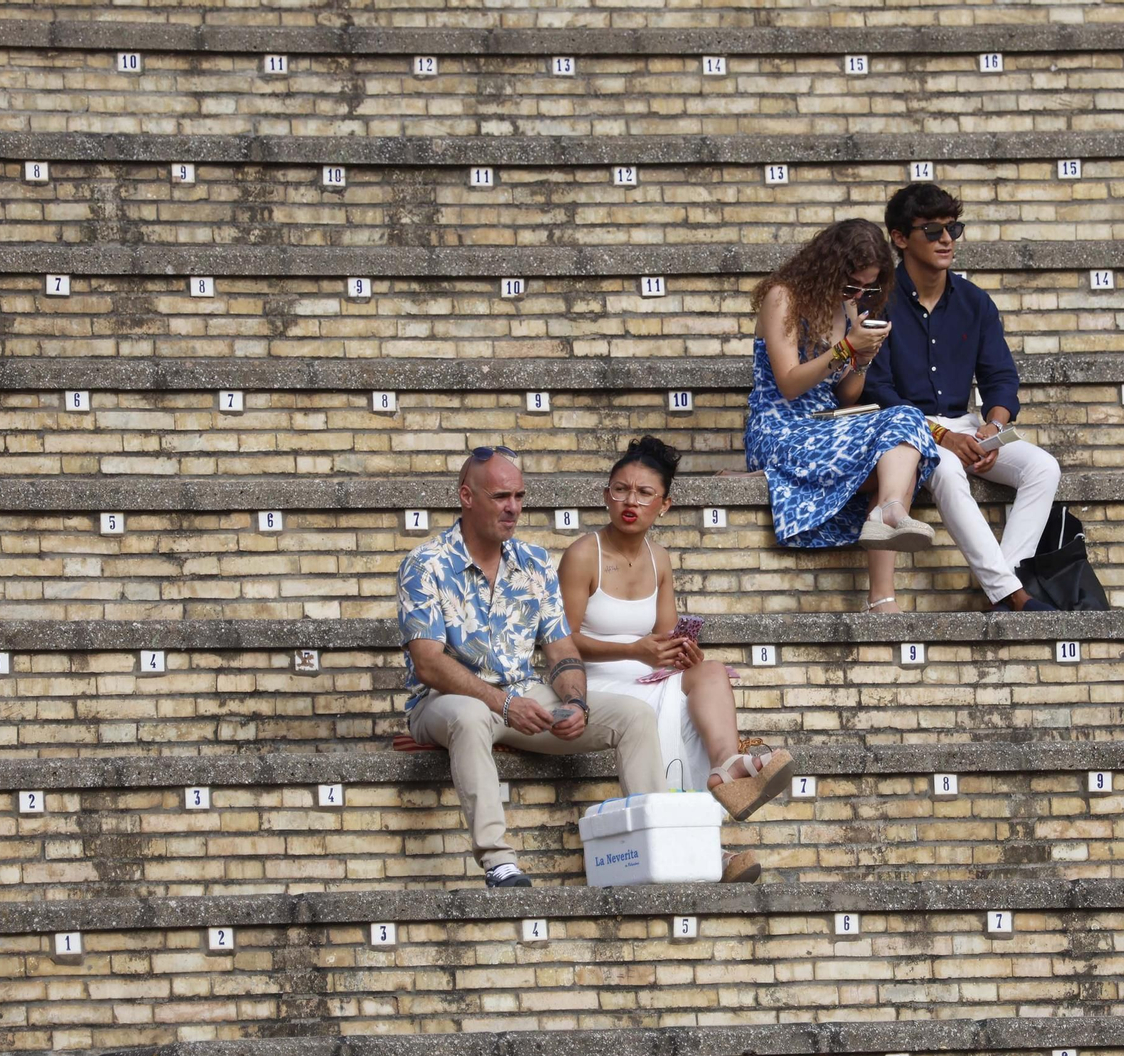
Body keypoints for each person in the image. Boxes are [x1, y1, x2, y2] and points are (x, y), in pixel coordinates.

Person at [397, 445, 670, 889]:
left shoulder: (535, 563)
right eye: (502, 497)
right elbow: (429, 665)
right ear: (467, 497)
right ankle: (498, 861)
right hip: (444, 702)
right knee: (468, 716)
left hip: (522, 695)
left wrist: (576, 701)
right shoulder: (425, 565)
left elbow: (562, 651)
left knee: (633, 716)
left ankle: (656, 846)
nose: (513, 508)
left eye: (520, 497)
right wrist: (505, 705)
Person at [558, 436, 796, 885]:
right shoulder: (582, 553)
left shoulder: (660, 558)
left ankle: (728, 768)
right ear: (606, 495)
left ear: (664, 505)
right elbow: (561, 641)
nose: (631, 501)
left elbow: (663, 640)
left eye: (645, 493)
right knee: (667, 711)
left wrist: (680, 653)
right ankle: (708, 849)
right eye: (621, 490)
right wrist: (636, 649)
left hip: (647, 674)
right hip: (593, 684)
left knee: (706, 672)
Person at [861, 184, 1062, 612]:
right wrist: (942, 437)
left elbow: (1000, 377)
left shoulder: (975, 302)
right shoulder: (879, 303)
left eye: (954, 228)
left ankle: (1003, 582)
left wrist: (995, 425)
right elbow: (878, 391)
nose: (947, 239)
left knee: (1043, 466)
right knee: (950, 470)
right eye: (932, 230)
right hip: (906, 432)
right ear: (900, 238)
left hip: (968, 424)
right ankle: (1013, 595)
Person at [746, 218, 941, 614]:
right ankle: (883, 592)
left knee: (903, 421)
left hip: (825, 424)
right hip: (781, 427)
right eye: (851, 284)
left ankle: (889, 513)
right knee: (897, 441)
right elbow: (788, 384)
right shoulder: (782, 297)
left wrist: (862, 362)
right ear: (828, 268)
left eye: (867, 288)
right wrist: (845, 348)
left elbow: (845, 394)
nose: (856, 294)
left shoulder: (845, 306)